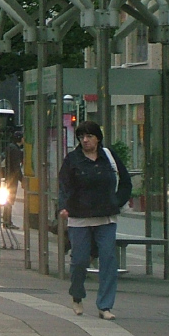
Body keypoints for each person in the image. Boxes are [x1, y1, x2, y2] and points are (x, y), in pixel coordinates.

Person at [59, 121, 131, 320]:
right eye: (82, 137)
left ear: (98, 138)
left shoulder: (108, 157)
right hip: (79, 217)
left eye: (89, 136)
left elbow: (125, 181)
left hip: (106, 216)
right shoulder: (73, 159)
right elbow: (64, 185)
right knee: (80, 260)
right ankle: (77, 295)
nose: (85, 140)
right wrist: (63, 207)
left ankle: (105, 306)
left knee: (108, 259)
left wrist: (117, 201)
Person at [3, 129, 25, 229]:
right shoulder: (15, 149)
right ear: (20, 139)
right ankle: (8, 221)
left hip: (8, 177)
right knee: (10, 200)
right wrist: (22, 179)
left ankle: (6, 220)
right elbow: (16, 167)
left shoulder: (10, 147)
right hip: (12, 178)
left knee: (8, 200)